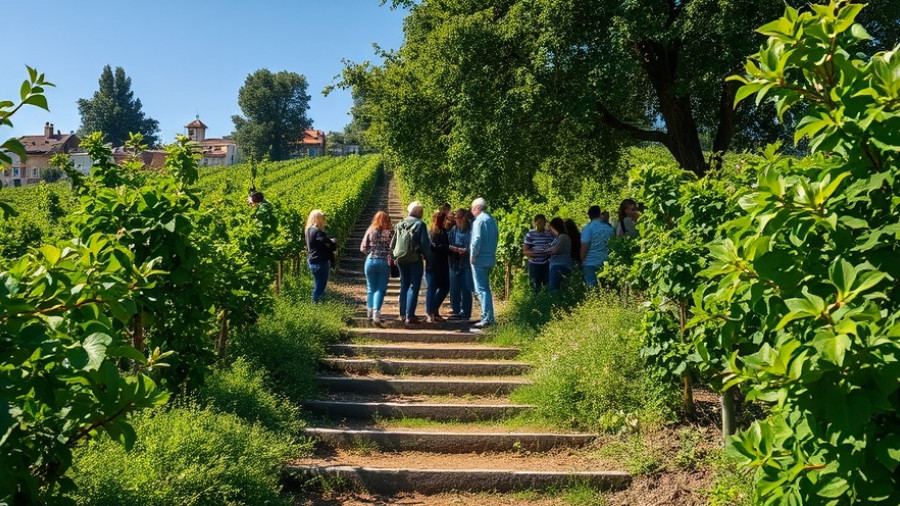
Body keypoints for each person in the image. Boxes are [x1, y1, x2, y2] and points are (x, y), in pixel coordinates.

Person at [391, 201, 432, 324]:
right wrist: (428, 259)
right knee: (414, 286)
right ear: (419, 212)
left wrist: (395, 256)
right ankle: (410, 315)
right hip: (414, 259)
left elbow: (392, 244)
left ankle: (402, 314)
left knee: (404, 285)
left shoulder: (400, 224)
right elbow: (425, 245)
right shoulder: (420, 225)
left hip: (401, 259)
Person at [360, 211, 393, 323]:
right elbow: (393, 248)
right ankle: (376, 312)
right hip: (384, 261)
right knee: (380, 289)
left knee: (370, 287)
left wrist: (371, 252)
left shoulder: (371, 230)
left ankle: (369, 310)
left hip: (370, 260)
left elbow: (363, 248)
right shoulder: (390, 232)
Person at [470, 198, 498, 328]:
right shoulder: (491, 220)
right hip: (490, 257)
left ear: (477, 208)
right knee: (486, 288)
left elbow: (476, 240)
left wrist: (472, 257)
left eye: (472, 208)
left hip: (480, 258)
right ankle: (489, 316)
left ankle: (487, 318)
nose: (471, 211)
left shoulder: (479, 221)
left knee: (481, 289)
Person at [305, 209, 337, 303]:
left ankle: (317, 305)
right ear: (318, 219)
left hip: (312, 260)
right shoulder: (318, 231)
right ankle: (316, 306)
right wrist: (332, 242)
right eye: (323, 217)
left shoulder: (309, 230)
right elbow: (326, 243)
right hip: (320, 261)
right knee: (320, 286)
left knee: (318, 283)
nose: (324, 219)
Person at [425, 211, 451, 323]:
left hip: (441, 263)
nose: (447, 221)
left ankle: (434, 310)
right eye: (446, 219)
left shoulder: (442, 231)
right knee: (433, 287)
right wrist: (448, 248)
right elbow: (433, 247)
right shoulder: (432, 232)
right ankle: (431, 312)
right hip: (435, 263)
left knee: (444, 287)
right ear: (442, 220)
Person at [448, 208, 474, 320]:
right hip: (454, 261)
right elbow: (449, 242)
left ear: (464, 218)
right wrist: (452, 248)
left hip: (466, 261)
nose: (456, 220)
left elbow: (473, 244)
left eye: (458, 218)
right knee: (454, 287)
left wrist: (466, 250)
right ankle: (455, 310)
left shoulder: (471, 229)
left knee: (466, 287)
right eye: (455, 218)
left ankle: (466, 312)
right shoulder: (454, 229)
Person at [580, 206, 615, 287]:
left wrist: (582, 259)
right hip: (606, 261)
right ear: (599, 214)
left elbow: (585, 245)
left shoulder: (588, 228)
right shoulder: (609, 228)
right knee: (607, 286)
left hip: (590, 261)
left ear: (589, 215)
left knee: (592, 286)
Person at [523, 214, 553, 293]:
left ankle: (547, 301)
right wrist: (532, 255)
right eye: (540, 222)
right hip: (534, 264)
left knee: (547, 284)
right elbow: (525, 250)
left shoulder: (549, 234)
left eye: (544, 223)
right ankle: (535, 301)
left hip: (547, 263)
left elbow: (554, 245)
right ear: (535, 223)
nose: (542, 225)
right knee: (535, 285)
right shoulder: (530, 235)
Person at [540, 217, 572, 291]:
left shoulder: (563, 237)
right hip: (556, 266)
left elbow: (555, 250)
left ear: (555, 227)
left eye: (551, 228)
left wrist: (546, 250)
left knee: (555, 290)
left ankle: (556, 302)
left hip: (560, 267)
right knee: (554, 289)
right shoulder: (558, 238)